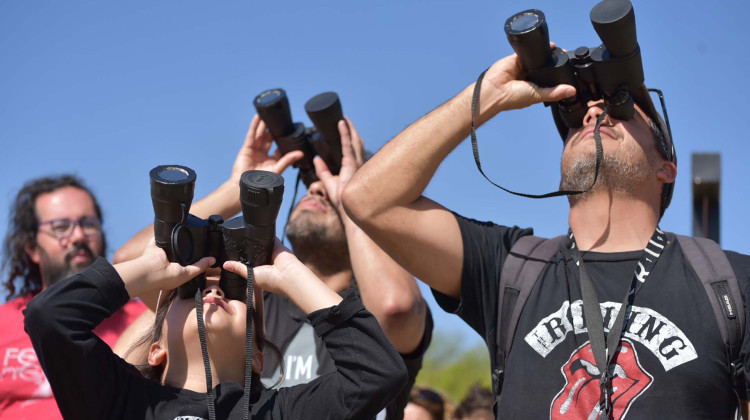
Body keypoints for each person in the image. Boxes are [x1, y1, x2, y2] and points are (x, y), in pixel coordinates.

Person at [342, 47, 750, 418]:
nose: (592, 114)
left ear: (667, 168)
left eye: (621, 109)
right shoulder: (514, 267)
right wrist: (488, 97)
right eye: (576, 117)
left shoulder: (728, 282)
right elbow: (369, 199)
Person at [115, 114, 432, 419]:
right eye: (309, 181)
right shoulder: (245, 311)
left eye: (332, 181)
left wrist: (359, 198)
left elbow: (395, 307)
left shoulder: (366, 316)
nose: (317, 188)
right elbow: (135, 265)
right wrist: (234, 192)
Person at [24, 231, 408, 418]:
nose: (213, 294)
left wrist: (291, 275)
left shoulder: (278, 412)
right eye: (187, 293)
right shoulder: (124, 402)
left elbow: (379, 372)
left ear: (258, 357)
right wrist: (150, 270)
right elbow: (50, 318)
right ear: (155, 349)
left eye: (239, 296)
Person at [0, 175, 146, 419]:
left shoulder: (145, 320)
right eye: (60, 228)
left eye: (88, 224)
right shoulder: (3, 323)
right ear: (32, 249)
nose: (78, 236)